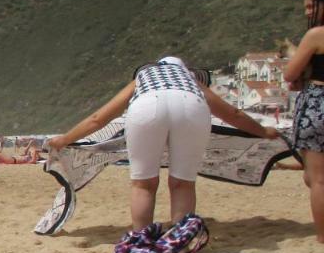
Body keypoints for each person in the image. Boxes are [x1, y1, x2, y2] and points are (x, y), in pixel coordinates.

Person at [48, 55, 280, 232]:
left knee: (143, 184)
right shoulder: (190, 80)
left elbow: (99, 118)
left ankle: (142, 241)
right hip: (191, 107)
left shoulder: (144, 77)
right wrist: (263, 131)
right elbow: (234, 115)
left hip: (148, 106)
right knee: (182, 184)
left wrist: (66, 139)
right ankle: (181, 239)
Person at [284, 0, 324, 243]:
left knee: (317, 179)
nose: (308, 12)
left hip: (319, 103)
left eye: (312, 6)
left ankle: (322, 236)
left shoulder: (316, 35)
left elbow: (290, 73)